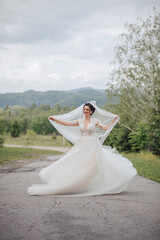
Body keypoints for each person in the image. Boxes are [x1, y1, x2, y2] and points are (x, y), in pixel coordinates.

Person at [27, 102, 137, 196]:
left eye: (87, 110)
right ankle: (74, 183)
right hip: (81, 144)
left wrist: (114, 120)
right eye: (84, 109)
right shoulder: (79, 121)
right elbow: (67, 123)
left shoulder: (95, 121)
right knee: (74, 163)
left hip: (92, 144)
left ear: (91, 111)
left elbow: (106, 128)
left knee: (92, 165)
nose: (85, 111)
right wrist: (55, 119)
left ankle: (92, 184)